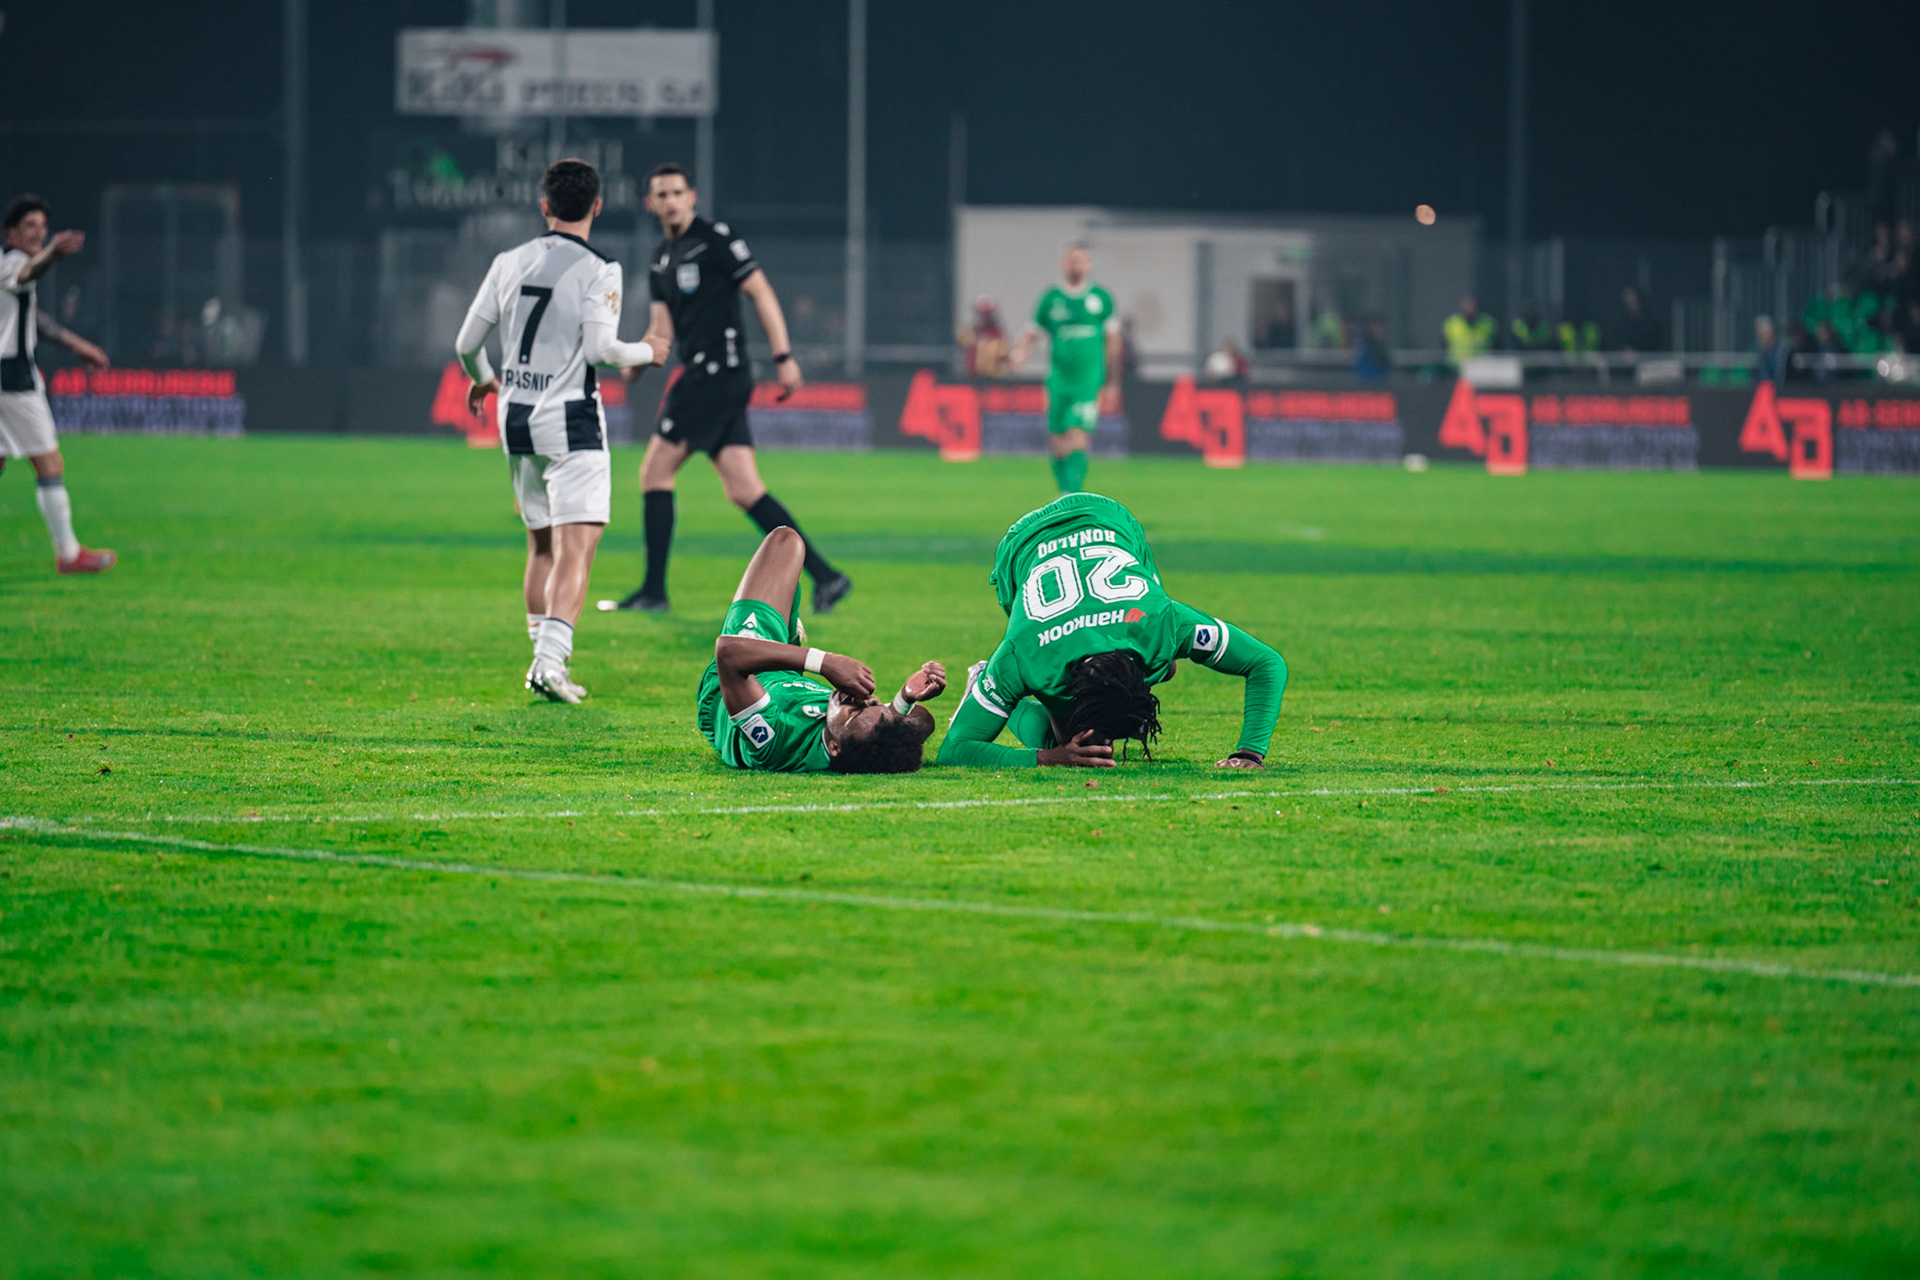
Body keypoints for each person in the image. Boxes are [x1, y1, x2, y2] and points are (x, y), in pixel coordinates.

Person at [455, 158, 666, 703]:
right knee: (579, 551)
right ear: (597, 206)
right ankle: (548, 664)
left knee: (542, 546)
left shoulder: (509, 260)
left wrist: (482, 380)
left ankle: (541, 659)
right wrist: (650, 350)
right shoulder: (600, 268)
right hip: (570, 422)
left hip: (515, 418)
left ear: (544, 206)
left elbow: (466, 344)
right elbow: (601, 350)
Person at [601, 163, 853, 616]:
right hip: (706, 375)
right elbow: (662, 328)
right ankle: (827, 576)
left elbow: (762, 293)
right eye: (662, 194)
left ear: (691, 196)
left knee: (654, 473)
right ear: (651, 203)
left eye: (678, 192)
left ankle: (654, 591)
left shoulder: (715, 239)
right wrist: (635, 361)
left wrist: (783, 357)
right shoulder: (661, 258)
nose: (671, 200)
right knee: (744, 489)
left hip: (716, 374)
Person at [936, 493, 1288, 771]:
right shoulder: (1023, 652)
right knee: (1070, 744)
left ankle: (1156, 670)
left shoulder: (1163, 622)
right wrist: (1051, 758)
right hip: (1022, 546)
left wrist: (1250, 753)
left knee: (1085, 736)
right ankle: (986, 684)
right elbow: (954, 750)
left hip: (1108, 521)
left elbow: (1267, 664)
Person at [699, 526, 946, 773]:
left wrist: (824, 662)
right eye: (873, 704)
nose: (859, 699)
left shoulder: (778, 744)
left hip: (738, 676)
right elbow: (923, 721)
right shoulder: (858, 741)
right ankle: (788, 634)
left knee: (785, 542)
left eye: (853, 712)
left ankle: (785, 634)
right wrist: (904, 698)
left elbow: (728, 652)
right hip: (784, 674)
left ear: (835, 748)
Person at [0, 194, 115, 575]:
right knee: (49, 462)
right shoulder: (12, 264)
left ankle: (69, 554)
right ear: (11, 232)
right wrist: (50, 254)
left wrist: (78, 345)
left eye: (42, 226)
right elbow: (27, 274)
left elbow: (34, 318)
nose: (38, 232)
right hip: (13, 380)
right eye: (29, 226)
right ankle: (68, 554)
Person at [1005, 242, 1121, 494]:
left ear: (1089, 265)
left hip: (1088, 380)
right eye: (1071, 259)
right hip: (1058, 379)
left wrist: (1113, 382)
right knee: (1058, 442)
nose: (1075, 264)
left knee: (1078, 436)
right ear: (1063, 263)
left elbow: (1113, 343)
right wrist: (1020, 354)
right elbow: (1031, 333)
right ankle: (1064, 492)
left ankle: (1073, 496)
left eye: (1081, 260)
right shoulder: (1051, 299)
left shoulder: (1100, 299)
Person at [958, 295, 1008, 377]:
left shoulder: (997, 333)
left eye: (987, 314)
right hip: (971, 377)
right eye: (981, 313)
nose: (984, 317)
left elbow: (1004, 354)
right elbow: (961, 346)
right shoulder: (969, 331)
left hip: (994, 377)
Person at [1442, 295, 1494, 367]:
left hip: (1481, 367)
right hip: (1457, 368)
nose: (1470, 311)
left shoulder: (1487, 324)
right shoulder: (1452, 324)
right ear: (1462, 309)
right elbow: (1444, 345)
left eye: (1472, 308)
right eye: (1467, 308)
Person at [1614, 286, 1662, 354]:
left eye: (1634, 303)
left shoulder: (1651, 325)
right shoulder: (1620, 324)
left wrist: (1637, 353)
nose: (1630, 302)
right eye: (1629, 303)